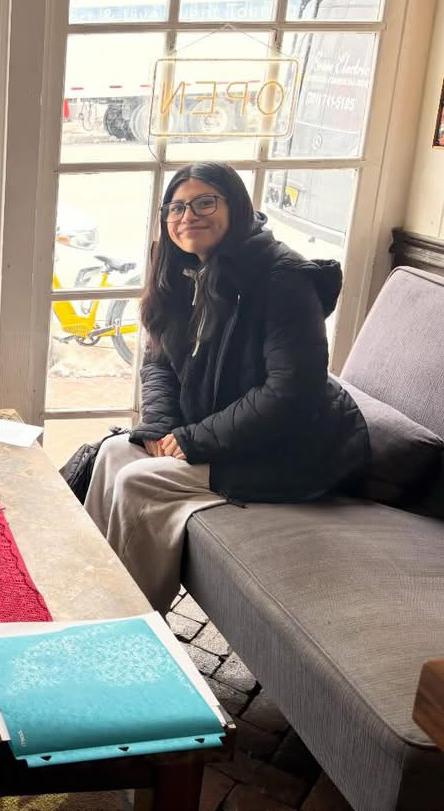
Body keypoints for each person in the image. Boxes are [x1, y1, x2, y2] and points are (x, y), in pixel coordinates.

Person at [83, 162, 368, 611]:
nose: (188, 216)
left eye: (204, 202)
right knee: (115, 453)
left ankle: (128, 621)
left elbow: (292, 392)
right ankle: (86, 595)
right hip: (229, 434)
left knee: (140, 480)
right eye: (177, 207)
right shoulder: (184, 270)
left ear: (235, 206)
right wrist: (161, 426)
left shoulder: (284, 278)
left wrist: (193, 439)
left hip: (293, 451)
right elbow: (159, 360)